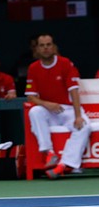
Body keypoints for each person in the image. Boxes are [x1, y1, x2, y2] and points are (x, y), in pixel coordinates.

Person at [25, 33, 90, 180]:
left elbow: (74, 91)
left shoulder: (65, 63)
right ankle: (49, 153)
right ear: (37, 49)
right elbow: (31, 96)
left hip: (68, 110)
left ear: (54, 47)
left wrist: (78, 116)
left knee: (84, 126)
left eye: (48, 45)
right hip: (49, 110)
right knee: (35, 111)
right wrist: (46, 104)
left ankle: (64, 164)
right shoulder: (33, 68)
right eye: (42, 45)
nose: (46, 48)